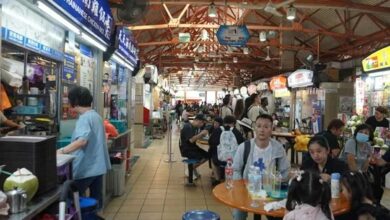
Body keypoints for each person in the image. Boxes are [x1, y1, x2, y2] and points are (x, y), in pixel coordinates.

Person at [57, 86, 111, 210]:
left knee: (73, 201)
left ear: (74, 102)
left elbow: (82, 141)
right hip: (98, 168)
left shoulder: (85, 118)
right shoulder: (96, 116)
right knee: (95, 202)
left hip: (85, 169)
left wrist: (61, 151)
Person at [232, 114, 290, 220]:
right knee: (238, 214)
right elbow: (236, 169)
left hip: (271, 191)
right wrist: (241, 186)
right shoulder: (244, 147)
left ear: (271, 129)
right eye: (259, 126)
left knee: (278, 215)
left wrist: (276, 181)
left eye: (266, 127)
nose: (262, 130)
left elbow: (285, 171)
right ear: (254, 128)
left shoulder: (278, 148)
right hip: (247, 189)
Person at [208, 115, 245, 186]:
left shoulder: (217, 130)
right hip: (233, 159)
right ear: (233, 123)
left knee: (213, 158)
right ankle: (228, 180)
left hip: (219, 159)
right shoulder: (236, 132)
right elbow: (242, 144)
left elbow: (210, 142)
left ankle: (217, 179)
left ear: (224, 122)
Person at [179, 114, 210, 179]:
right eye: (202, 123)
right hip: (187, 149)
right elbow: (191, 140)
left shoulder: (194, 127)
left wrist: (201, 135)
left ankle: (192, 169)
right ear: (198, 121)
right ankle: (191, 169)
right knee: (204, 156)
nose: (202, 125)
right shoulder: (188, 127)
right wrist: (201, 134)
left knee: (208, 155)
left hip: (192, 147)